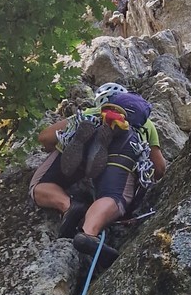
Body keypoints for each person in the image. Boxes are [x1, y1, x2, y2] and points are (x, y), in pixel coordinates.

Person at [30, 82, 167, 258]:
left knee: (40, 185)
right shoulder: (146, 125)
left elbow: (45, 137)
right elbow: (160, 168)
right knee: (113, 196)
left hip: (88, 127)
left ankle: (68, 205)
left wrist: (55, 147)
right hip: (126, 143)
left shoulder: (92, 113)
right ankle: (88, 233)